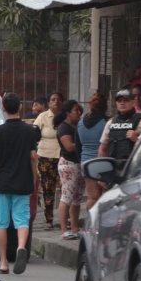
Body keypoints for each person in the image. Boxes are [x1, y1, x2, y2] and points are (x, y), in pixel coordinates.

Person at [0, 92, 39, 275]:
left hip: (2, 182)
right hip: (23, 182)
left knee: (1, 222)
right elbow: (33, 156)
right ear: (20, 108)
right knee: (22, 219)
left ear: (3, 108)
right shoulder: (29, 131)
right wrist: (33, 177)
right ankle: (21, 247)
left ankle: (3, 262)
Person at [97, 87, 141, 170]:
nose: (122, 103)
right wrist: (103, 171)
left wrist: (136, 139)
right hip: (114, 170)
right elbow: (102, 149)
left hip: (133, 170)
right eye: (119, 101)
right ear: (116, 103)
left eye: (126, 100)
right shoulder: (111, 123)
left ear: (133, 102)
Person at [32, 91, 63, 229]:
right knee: (47, 188)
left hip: (63, 156)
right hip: (45, 156)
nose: (55, 102)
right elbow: (34, 132)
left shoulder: (65, 117)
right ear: (49, 103)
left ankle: (64, 218)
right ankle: (49, 220)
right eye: (52, 99)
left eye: (58, 99)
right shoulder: (43, 116)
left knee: (65, 189)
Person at [55, 100, 84, 240]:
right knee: (66, 196)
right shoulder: (64, 128)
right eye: (76, 111)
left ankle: (75, 228)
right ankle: (63, 229)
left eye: (79, 111)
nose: (79, 113)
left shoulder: (76, 126)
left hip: (78, 164)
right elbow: (69, 147)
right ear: (68, 113)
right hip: (68, 164)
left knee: (77, 198)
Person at [77, 94, 108, 209]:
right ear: (105, 106)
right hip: (103, 162)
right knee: (105, 196)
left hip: (86, 162)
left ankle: (90, 224)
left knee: (92, 197)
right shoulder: (106, 122)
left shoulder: (80, 123)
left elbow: (78, 145)